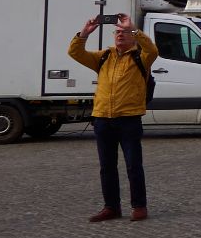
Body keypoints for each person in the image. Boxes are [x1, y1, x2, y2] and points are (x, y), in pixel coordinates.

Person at [68, 12, 159, 223]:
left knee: (133, 165)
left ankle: (139, 206)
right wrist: (84, 34)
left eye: (124, 33)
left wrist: (133, 28)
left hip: (129, 118)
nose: (120, 35)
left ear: (133, 37)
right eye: (117, 32)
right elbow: (75, 52)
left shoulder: (141, 57)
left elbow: (153, 50)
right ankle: (111, 207)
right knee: (106, 167)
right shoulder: (104, 56)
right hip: (102, 118)